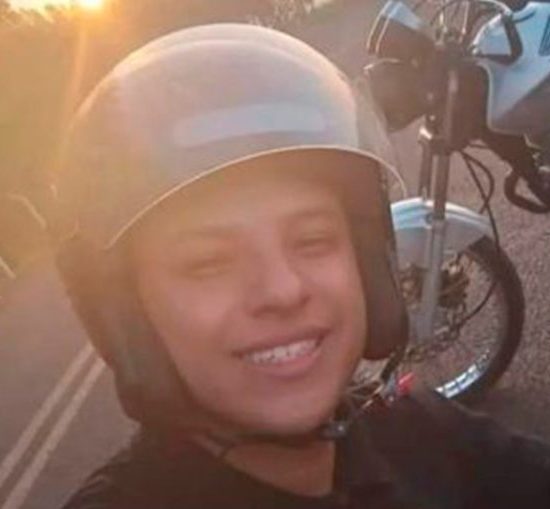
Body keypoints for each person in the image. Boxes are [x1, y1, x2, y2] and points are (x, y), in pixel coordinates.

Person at [54, 23, 550, 509]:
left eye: (312, 240)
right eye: (208, 263)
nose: (283, 289)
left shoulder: (414, 433)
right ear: (129, 314)